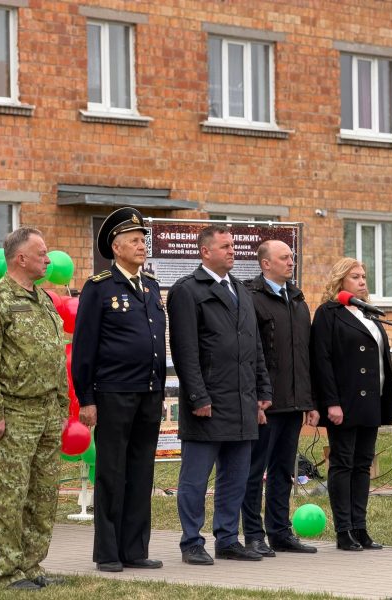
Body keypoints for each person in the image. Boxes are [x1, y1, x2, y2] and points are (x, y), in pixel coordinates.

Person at [167, 225, 273, 565]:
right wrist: (198, 397)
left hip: (242, 403)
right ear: (205, 251)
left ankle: (227, 538)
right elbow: (185, 351)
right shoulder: (188, 290)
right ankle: (191, 542)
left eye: (233, 246)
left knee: (236, 477)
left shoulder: (241, 290)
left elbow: (254, 347)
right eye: (225, 246)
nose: (232, 251)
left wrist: (262, 392)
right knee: (196, 479)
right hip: (208, 404)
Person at [72, 207, 167, 572]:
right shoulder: (100, 287)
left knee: (141, 471)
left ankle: (135, 549)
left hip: (148, 393)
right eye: (134, 240)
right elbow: (85, 347)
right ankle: (109, 553)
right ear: (116, 247)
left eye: (143, 240)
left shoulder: (151, 285)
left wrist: (158, 389)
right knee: (112, 472)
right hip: (112, 393)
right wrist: (87, 398)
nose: (142, 245)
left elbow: (157, 341)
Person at [0, 228, 68, 590]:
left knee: (43, 496)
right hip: (13, 413)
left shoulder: (43, 299)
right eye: (41, 253)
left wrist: (60, 406)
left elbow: (55, 357)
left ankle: (32, 566)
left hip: (46, 412)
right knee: (11, 497)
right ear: (20, 258)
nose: (48, 259)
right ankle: (8, 571)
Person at [310, 258, 392, 551]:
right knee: (343, 463)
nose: (362, 281)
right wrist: (330, 403)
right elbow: (322, 361)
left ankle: (360, 528)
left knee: (363, 465)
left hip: (371, 401)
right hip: (344, 403)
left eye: (364, 276)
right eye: (355, 277)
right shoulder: (328, 314)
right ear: (340, 281)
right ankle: (343, 530)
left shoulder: (368, 314)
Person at [241, 240, 320, 556]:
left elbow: (305, 356)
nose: (291, 261)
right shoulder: (252, 299)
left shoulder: (298, 299)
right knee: (253, 471)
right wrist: (259, 396)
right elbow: (251, 354)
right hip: (265, 403)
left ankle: (280, 531)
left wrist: (309, 401)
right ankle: (253, 534)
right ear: (265, 264)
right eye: (284, 257)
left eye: (292, 257)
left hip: (293, 402)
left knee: (283, 471)